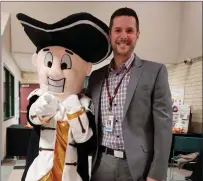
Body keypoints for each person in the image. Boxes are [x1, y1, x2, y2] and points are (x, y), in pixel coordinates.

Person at [16, 12, 111, 181]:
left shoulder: (85, 104)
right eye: (49, 63)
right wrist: (45, 106)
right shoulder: (38, 97)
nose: (55, 72)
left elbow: (87, 141)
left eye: (65, 64)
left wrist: (74, 110)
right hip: (39, 173)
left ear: (86, 69)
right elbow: (33, 118)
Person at [86, 7, 173, 181]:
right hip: (101, 164)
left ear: (137, 35)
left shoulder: (155, 71)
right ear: (110, 34)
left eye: (130, 31)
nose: (123, 36)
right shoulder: (95, 77)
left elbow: (163, 128)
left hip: (137, 167)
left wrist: (156, 174)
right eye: (118, 30)